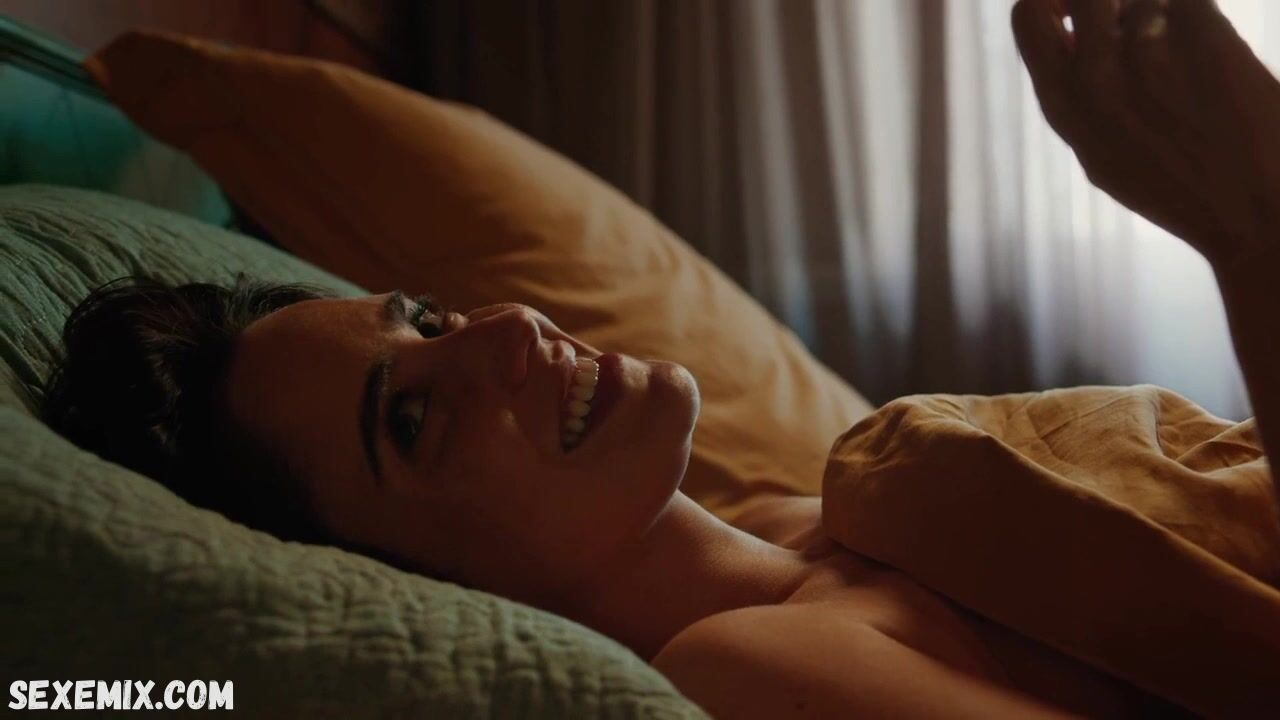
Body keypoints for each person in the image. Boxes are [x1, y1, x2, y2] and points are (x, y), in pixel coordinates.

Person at [38, 0, 1280, 716]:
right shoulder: (747, 660)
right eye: (411, 421)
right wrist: (1246, 230)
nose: (506, 332)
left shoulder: (806, 520)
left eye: (428, 320)